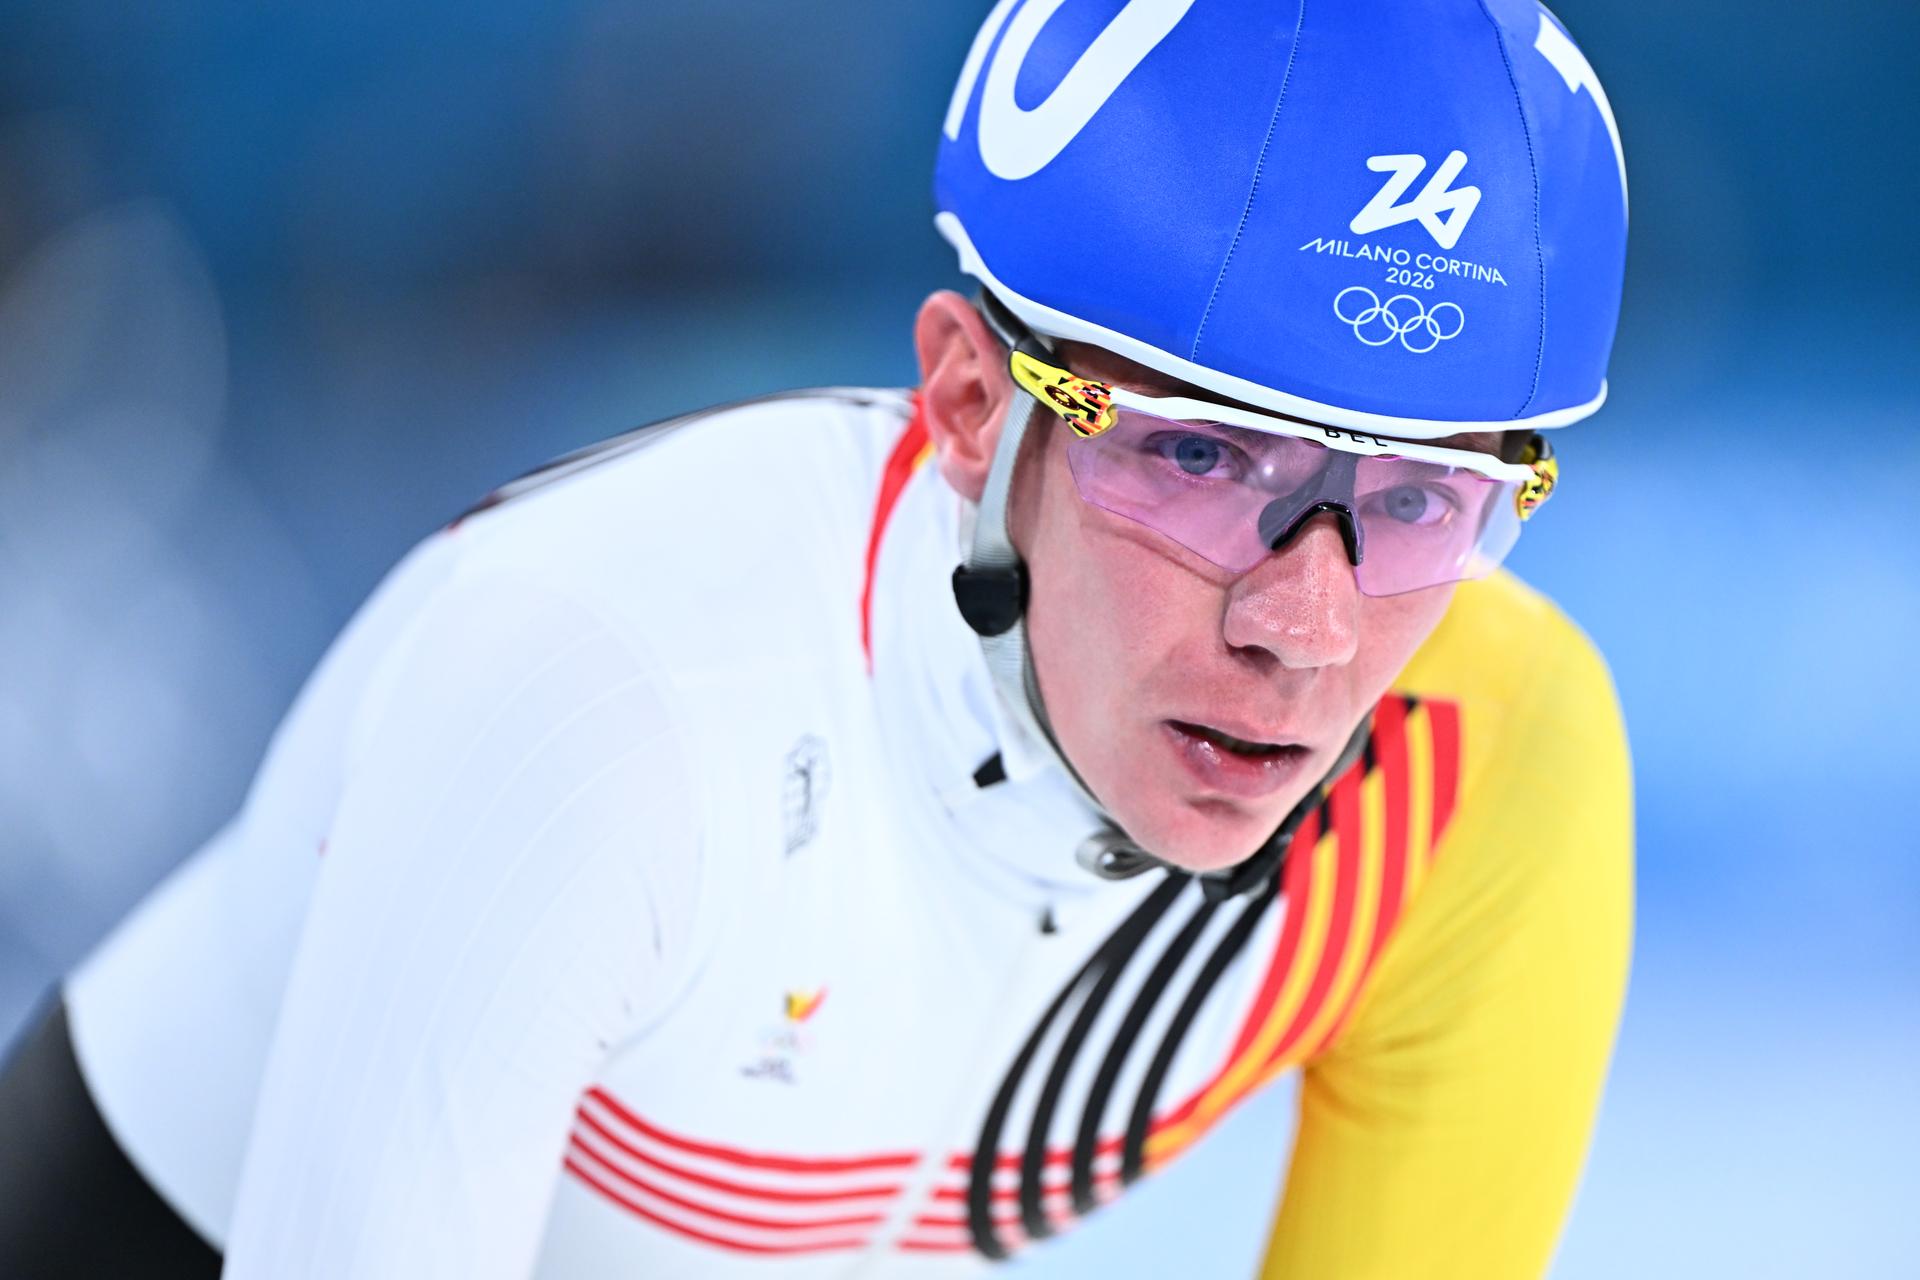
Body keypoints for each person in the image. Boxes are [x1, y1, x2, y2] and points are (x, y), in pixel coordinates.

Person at [0, 0, 1632, 1275]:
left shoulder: (1482, 784)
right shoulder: (605, 688)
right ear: (971, 403)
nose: (1307, 627)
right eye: (1200, 459)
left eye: (1421, 501)